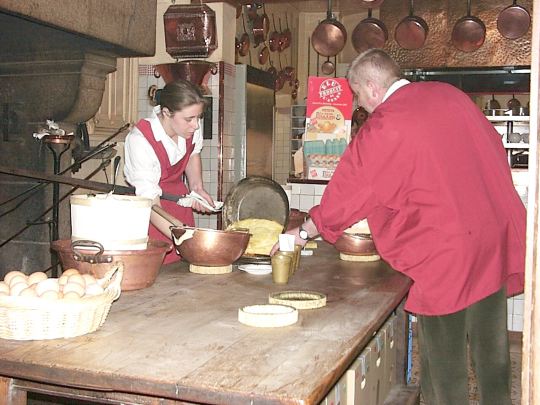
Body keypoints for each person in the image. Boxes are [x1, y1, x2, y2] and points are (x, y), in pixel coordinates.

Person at [278, 49, 525, 404]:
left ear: (372, 87)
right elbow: (491, 151)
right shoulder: (451, 96)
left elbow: (351, 192)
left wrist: (302, 233)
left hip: (445, 253)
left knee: (444, 362)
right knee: (492, 349)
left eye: (359, 97)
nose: (361, 106)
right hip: (490, 239)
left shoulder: (386, 124)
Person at [124, 79, 215, 264]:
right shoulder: (140, 140)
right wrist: (185, 238)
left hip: (180, 208)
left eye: (198, 117)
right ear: (166, 113)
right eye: (189, 119)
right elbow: (151, 205)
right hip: (154, 215)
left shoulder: (189, 129)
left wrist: (197, 188)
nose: (196, 125)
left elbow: (192, 153)